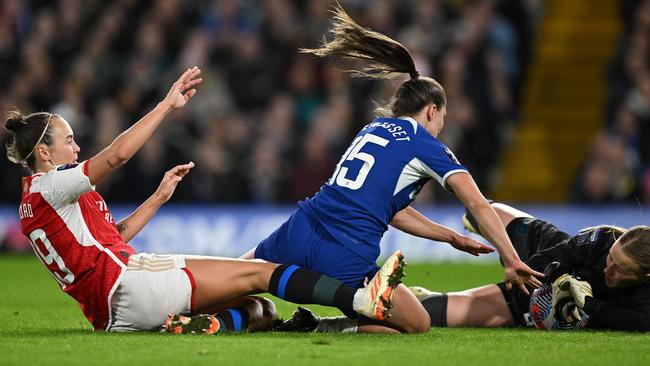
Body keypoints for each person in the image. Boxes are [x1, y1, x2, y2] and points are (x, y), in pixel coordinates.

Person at [4, 66, 405, 334]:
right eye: (69, 140)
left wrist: (158, 198)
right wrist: (165, 106)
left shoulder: (38, 201)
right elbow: (117, 155)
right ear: (43, 152)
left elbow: (114, 235)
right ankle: (360, 301)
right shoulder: (50, 185)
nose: (76, 148)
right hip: (129, 282)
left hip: (113, 310)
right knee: (263, 271)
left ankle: (203, 326)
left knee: (258, 310)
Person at [241, 5, 542, 334]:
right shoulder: (427, 145)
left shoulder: (374, 128)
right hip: (345, 252)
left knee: (235, 277)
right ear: (431, 111)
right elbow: (478, 203)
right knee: (416, 322)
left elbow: (389, 208)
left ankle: (189, 307)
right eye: (442, 117)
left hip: (300, 227)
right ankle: (317, 327)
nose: (442, 125)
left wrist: (450, 237)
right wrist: (512, 259)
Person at [280, 202, 650, 333]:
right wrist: (558, 279)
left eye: (619, 271)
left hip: (529, 306)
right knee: (488, 216)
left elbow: (640, 323)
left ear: (644, 277)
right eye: (612, 260)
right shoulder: (599, 240)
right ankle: (488, 212)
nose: (609, 270)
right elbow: (545, 261)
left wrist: (592, 306)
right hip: (544, 264)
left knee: (435, 313)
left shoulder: (643, 298)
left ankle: (417, 299)